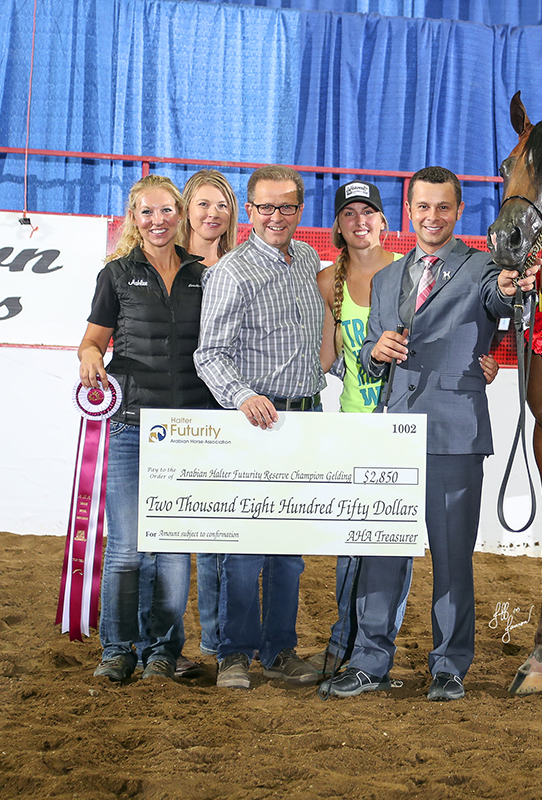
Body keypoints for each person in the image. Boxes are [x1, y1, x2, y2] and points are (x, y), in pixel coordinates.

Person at [317, 166, 537, 701]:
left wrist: (511, 286)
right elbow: (368, 360)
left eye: (443, 207)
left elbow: (500, 299)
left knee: (452, 557)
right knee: (381, 553)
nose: (432, 217)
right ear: (409, 211)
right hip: (392, 432)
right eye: (423, 207)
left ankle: (449, 665)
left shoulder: (483, 267)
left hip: (455, 433)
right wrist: (375, 351)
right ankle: (369, 661)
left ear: (458, 211)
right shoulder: (386, 278)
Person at [194, 164, 327, 690]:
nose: (276, 216)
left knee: (288, 549)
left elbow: (315, 337)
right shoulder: (231, 272)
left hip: (305, 417)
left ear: (299, 210)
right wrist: (243, 397)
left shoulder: (308, 259)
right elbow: (209, 354)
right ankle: (234, 654)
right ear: (249, 211)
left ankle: (278, 650)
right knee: (245, 548)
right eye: (266, 207)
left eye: (286, 206)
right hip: (256, 422)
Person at [79, 174, 216, 683]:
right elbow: (92, 341)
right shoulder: (115, 275)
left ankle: (162, 651)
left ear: (179, 215)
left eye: (166, 211)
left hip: (189, 431)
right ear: (134, 220)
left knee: (174, 548)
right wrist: (89, 358)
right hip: (131, 426)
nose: (158, 221)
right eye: (147, 212)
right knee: (127, 548)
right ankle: (117, 650)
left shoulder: (204, 275)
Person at [169, 169, 240, 677]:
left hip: (225, 412)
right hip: (178, 411)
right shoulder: (166, 267)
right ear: (186, 210)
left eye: (222, 205)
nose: (212, 214)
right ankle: (163, 647)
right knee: (170, 538)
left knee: (219, 536)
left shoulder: (237, 267)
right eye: (203, 204)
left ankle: (218, 644)